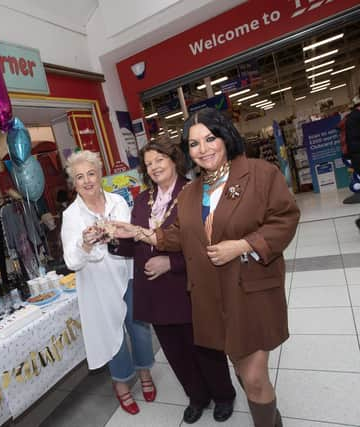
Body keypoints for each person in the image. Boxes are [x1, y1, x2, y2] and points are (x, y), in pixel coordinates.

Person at [114, 109, 299, 427]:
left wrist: (243, 245)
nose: (204, 148)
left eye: (210, 138)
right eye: (194, 143)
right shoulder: (191, 193)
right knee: (242, 369)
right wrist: (139, 233)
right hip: (211, 297)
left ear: (225, 137)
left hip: (250, 290)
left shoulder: (259, 173)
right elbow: (176, 237)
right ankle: (265, 409)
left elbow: (285, 218)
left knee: (254, 375)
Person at [112, 142, 236, 423]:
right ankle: (197, 396)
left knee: (205, 346)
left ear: (173, 160)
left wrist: (171, 262)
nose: (154, 166)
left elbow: (207, 243)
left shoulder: (194, 193)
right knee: (175, 351)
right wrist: (113, 241)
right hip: (154, 293)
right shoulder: (143, 200)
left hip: (187, 286)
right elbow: (134, 245)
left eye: (160, 159)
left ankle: (223, 394)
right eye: (149, 163)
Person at [60, 150, 155, 415]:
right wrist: (85, 244)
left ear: (100, 173)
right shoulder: (71, 216)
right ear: (74, 183)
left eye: (91, 173)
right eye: (80, 177)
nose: (87, 180)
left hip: (128, 277)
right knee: (112, 337)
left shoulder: (118, 201)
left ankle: (145, 373)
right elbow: (71, 261)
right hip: (99, 287)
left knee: (139, 330)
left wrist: (118, 237)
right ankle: (122, 385)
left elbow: (132, 237)